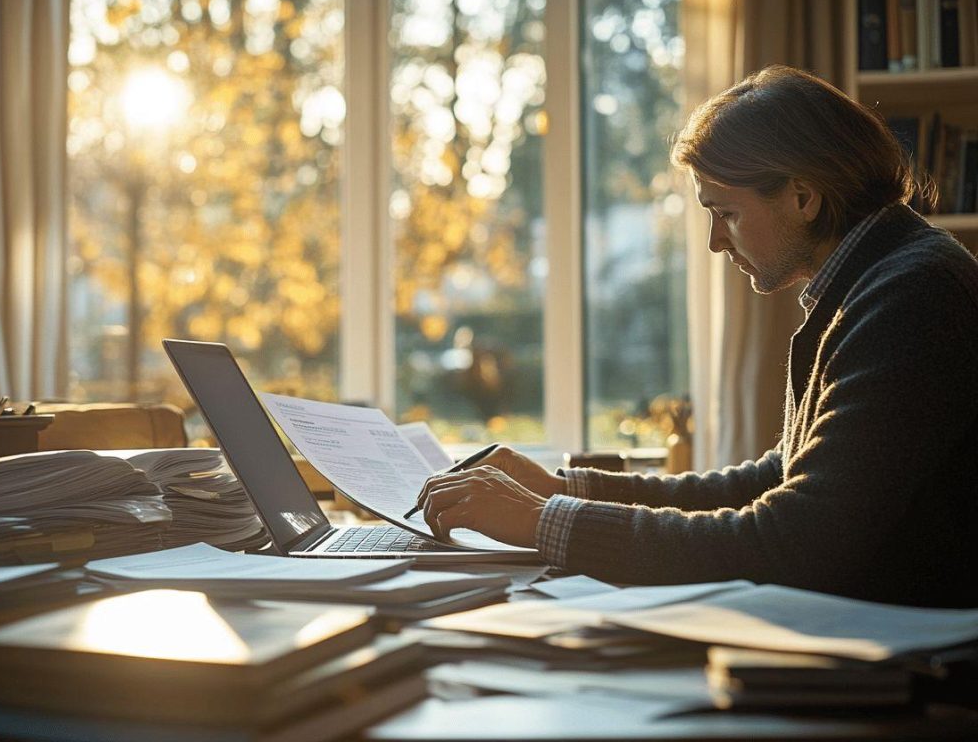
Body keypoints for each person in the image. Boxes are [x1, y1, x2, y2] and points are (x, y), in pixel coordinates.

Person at [416, 65, 978, 608]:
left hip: (914, 664)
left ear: (803, 197)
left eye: (726, 212)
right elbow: (774, 480)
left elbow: (793, 539)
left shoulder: (913, 295)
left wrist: (541, 520)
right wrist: (566, 489)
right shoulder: (878, 281)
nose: (715, 242)